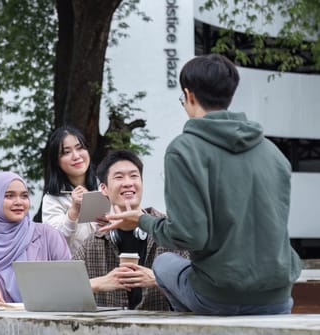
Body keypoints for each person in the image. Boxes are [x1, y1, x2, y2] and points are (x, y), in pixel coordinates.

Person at [101, 54, 302, 315]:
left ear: (189, 95)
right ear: (229, 95)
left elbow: (189, 235)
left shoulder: (184, 149)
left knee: (164, 263)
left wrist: (142, 220)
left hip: (218, 295)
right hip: (278, 297)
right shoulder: (273, 153)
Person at [74, 149, 188, 310]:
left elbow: (202, 286)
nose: (128, 182)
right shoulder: (91, 244)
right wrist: (98, 283)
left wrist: (160, 279)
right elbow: (60, 293)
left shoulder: (172, 232)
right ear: (104, 188)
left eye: (134, 176)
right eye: (119, 177)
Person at [0, 171, 71, 303]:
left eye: (24, 196)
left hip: (48, 319)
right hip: (1, 321)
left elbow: (71, 281)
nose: (19, 202)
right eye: (9, 196)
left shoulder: (48, 236)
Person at [42, 126, 100, 255]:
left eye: (80, 148)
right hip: (74, 271)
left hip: (109, 269)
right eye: (66, 152)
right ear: (56, 161)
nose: (76, 156)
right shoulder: (52, 198)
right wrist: (73, 211)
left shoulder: (104, 187)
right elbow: (54, 244)